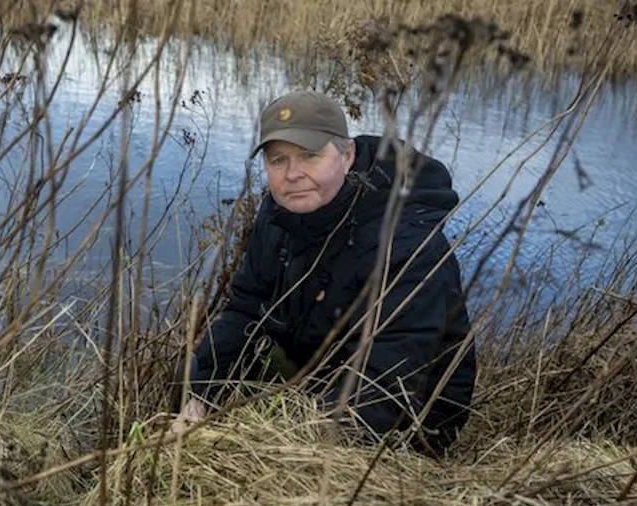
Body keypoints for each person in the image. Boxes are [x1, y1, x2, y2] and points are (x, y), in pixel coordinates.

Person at [172, 90, 477, 458]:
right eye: (278, 159)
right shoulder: (278, 215)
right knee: (190, 373)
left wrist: (290, 445)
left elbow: (388, 379)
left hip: (411, 417)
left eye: (310, 156)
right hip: (319, 375)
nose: (293, 174)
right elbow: (245, 310)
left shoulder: (404, 241)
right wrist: (199, 397)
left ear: (347, 156)